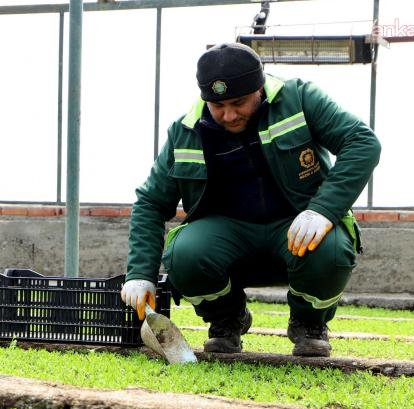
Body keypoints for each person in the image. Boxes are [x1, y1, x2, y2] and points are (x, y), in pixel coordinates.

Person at [121, 43, 380, 357]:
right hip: (228, 235)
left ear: (259, 89)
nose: (228, 115)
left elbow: (362, 142)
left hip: (296, 227)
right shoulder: (185, 130)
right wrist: (139, 274)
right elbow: (150, 201)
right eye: (217, 106)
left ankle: (308, 324)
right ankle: (227, 320)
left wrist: (323, 210)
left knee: (332, 249)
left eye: (238, 103)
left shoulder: (299, 98)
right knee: (184, 254)